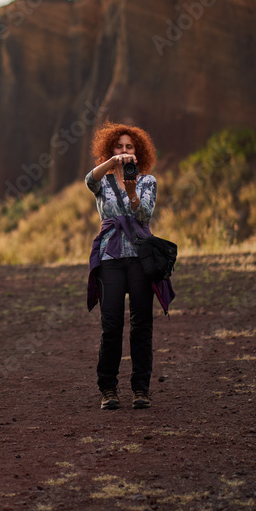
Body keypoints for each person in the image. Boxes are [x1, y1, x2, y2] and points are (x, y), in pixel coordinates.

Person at [84, 122, 158, 410]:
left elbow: (144, 215)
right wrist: (111, 164)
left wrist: (132, 192)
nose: (125, 151)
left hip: (140, 258)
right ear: (110, 149)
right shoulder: (102, 181)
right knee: (111, 325)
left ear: (138, 152)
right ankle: (108, 389)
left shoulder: (147, 181)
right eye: (119, 146)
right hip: (109, 259)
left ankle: (141, 389)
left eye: (129, 147)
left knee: (141, 325)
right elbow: (89, 180)